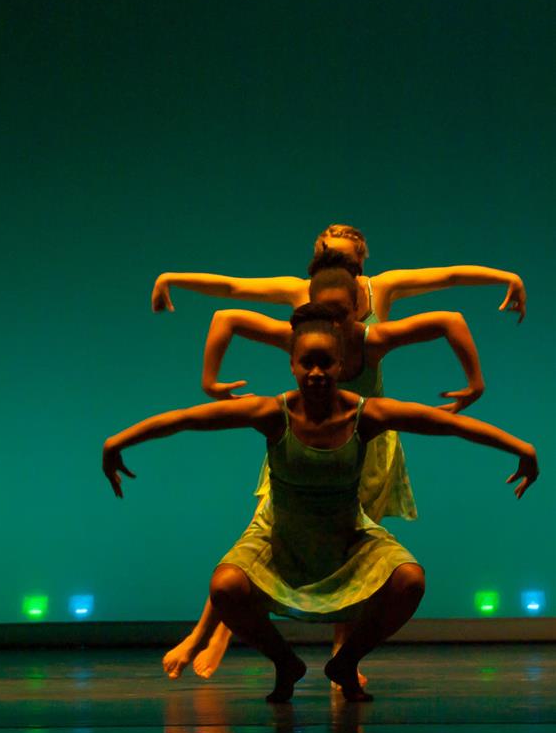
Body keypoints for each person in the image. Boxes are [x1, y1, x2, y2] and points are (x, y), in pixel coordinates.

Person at [102, 310, 538, 703]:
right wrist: (116, 442)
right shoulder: (272, 414)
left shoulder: (364, 416)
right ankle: (285, 663)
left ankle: (345, 662)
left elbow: (443, 423)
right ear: (291, 365)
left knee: (409, 581)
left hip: (347, 539)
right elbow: (186, 419)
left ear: (343, 366)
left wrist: (521, 448)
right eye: (305, 363)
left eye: (325, 363)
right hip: (280, 540)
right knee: (225, 589)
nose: (315, 372)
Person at [163, 258, 486, 680]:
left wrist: (504, 284)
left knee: (348, 550)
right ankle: (216, 632)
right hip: (301, 440)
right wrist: (175, 286)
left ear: (358, 299)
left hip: (362, 450)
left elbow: (449, 289)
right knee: (263, 533)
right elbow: (231, 297)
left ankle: (342, 653)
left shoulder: (377, 311)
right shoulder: (304, 327)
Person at [151, 223, 527, 324]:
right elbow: (232, 288)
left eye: (343, 261)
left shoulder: (382, 288)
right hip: (312, 419)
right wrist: (170, 279)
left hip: (369, 421)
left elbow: (450, 277)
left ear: (360, 263)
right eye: (326, 258)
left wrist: (509, 278)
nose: (334, 268)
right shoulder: (299, 291)